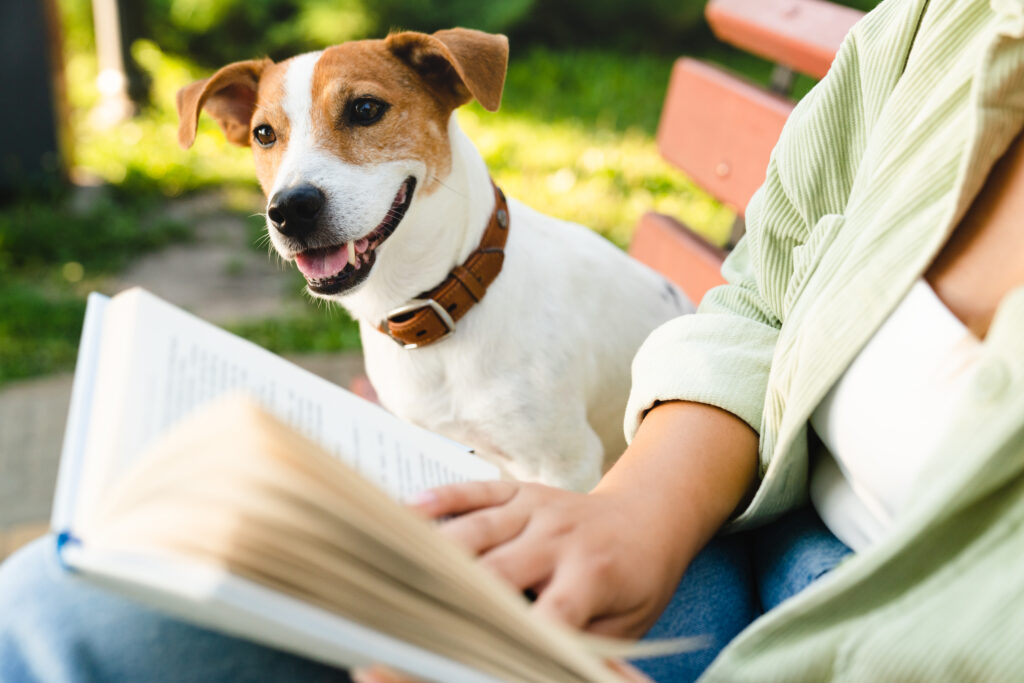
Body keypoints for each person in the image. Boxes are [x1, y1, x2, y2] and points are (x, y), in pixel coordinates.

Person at [4, 0, 1024, 680]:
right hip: (684, 498)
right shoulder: (942, 29)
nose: (294, 191)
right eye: (269, 140)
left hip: (820, 586)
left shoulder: (534, 316)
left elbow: (563, 476)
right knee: (48, 595)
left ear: (453, 92)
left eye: (362, 116)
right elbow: (765, 289)